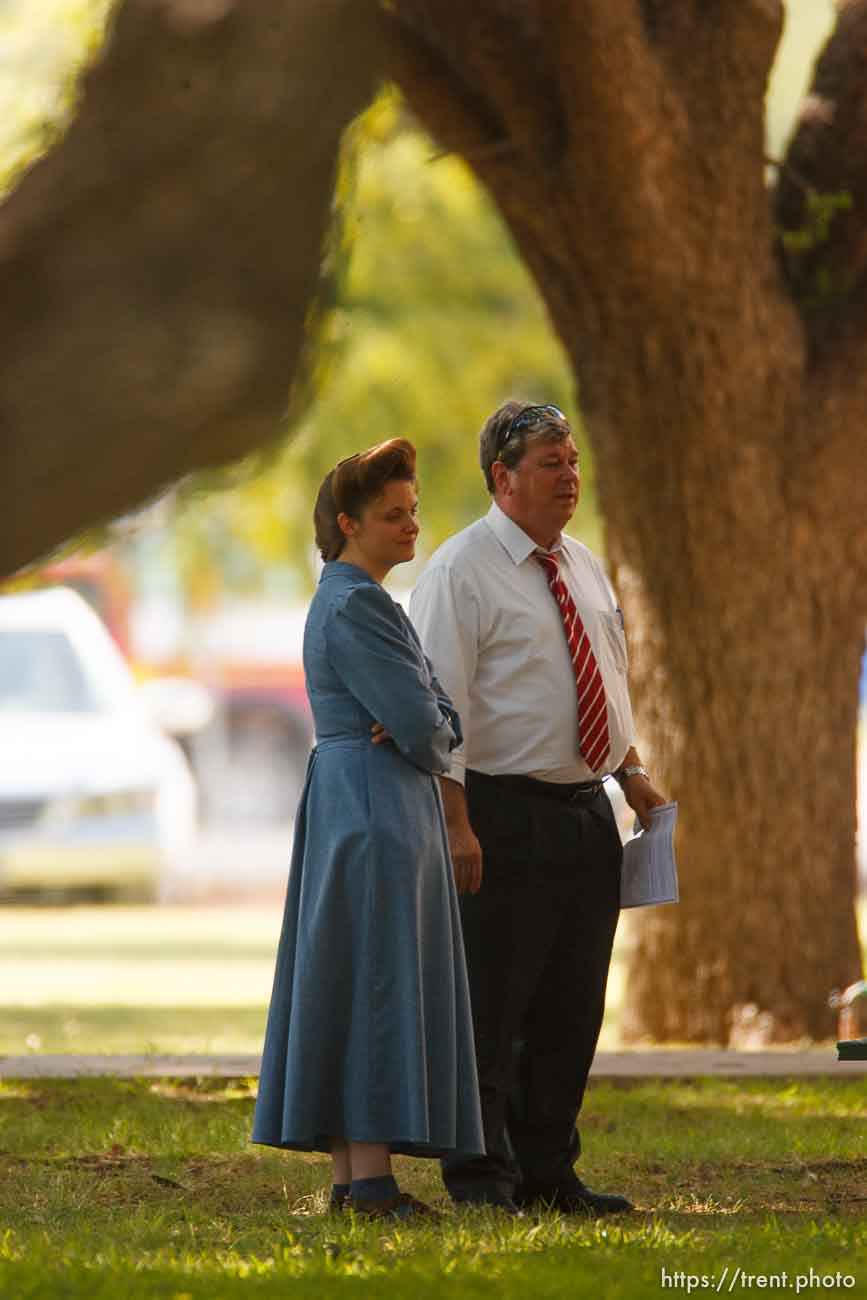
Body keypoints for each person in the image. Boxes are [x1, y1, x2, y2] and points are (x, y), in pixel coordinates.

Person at [409, 401, 667, 1216]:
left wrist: (629, 776)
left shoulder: (582, 564)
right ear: (502, 477)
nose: (570, 478)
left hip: (586, 811)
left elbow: (601, 682)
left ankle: (551, 1172)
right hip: (498, 811)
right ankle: (484, 1177)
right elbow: (436, 713)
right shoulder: (460, 572)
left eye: (574, 461)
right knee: (494, 1005)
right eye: (551, 464)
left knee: (569, 1004)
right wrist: (455, 823)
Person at [253, 438, 484, 1220]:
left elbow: (428, 714)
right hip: (376, 808)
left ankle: (357, 1180)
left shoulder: (352, 600)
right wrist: (429, 719)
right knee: (379, 981)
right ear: (347, 524)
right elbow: (426, 724)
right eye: (393, 514)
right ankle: (374, 1184)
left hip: (355, 803)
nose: (410, 525)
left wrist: (429, 715)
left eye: (413, 511)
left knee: (356, 978)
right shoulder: (358, 603)